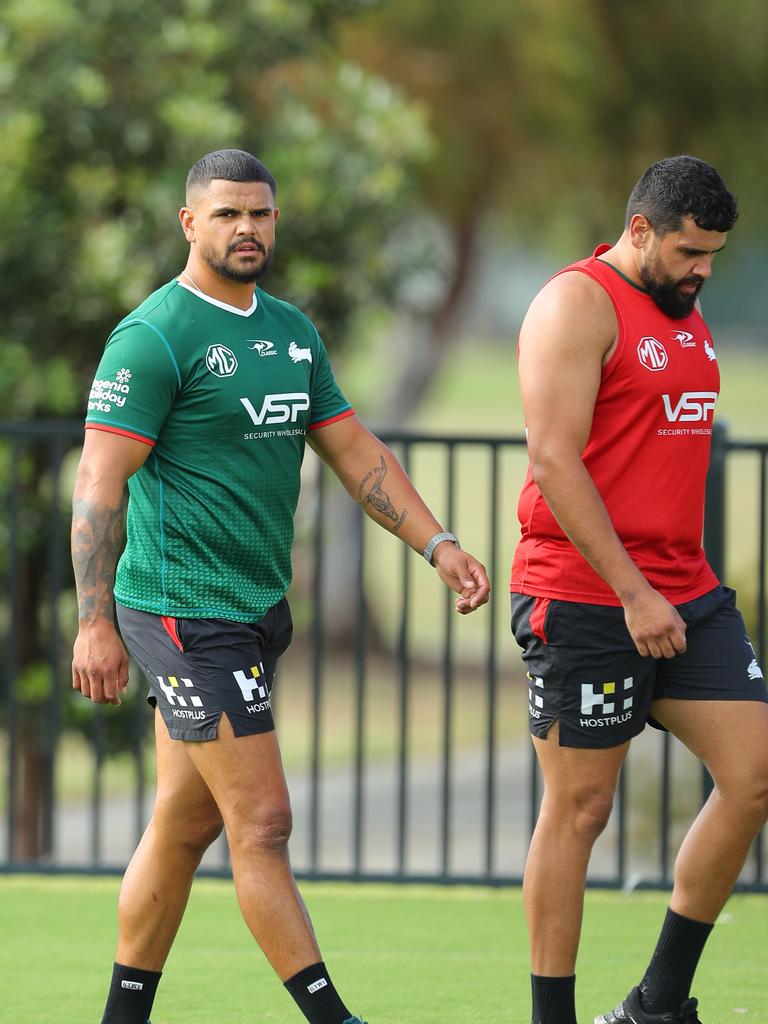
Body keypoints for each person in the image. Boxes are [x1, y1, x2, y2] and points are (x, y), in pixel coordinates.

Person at [71, 148, 490, 1024]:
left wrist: (438, 544)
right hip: (182, 612)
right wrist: (95, 623)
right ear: (190, 223)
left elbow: (355, 453)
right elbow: (98, 486)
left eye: (260, 213)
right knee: (261, 822)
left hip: (256, 610)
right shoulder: (154, 336)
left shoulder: (292, 333)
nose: (247, 228)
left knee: (185, 826)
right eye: (226, 214)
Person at [509, 155, 768, 1024]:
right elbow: (552, 457)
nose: (704, 270)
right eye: (692, 251)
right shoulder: (575, 303)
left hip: (686, 592)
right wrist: (632, 592)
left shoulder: (683, 312)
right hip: (587, 594)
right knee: (581, 809)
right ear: (641, 229)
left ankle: (656, 1004)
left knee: (756, 774)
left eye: (716, 256)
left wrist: (663, 591)